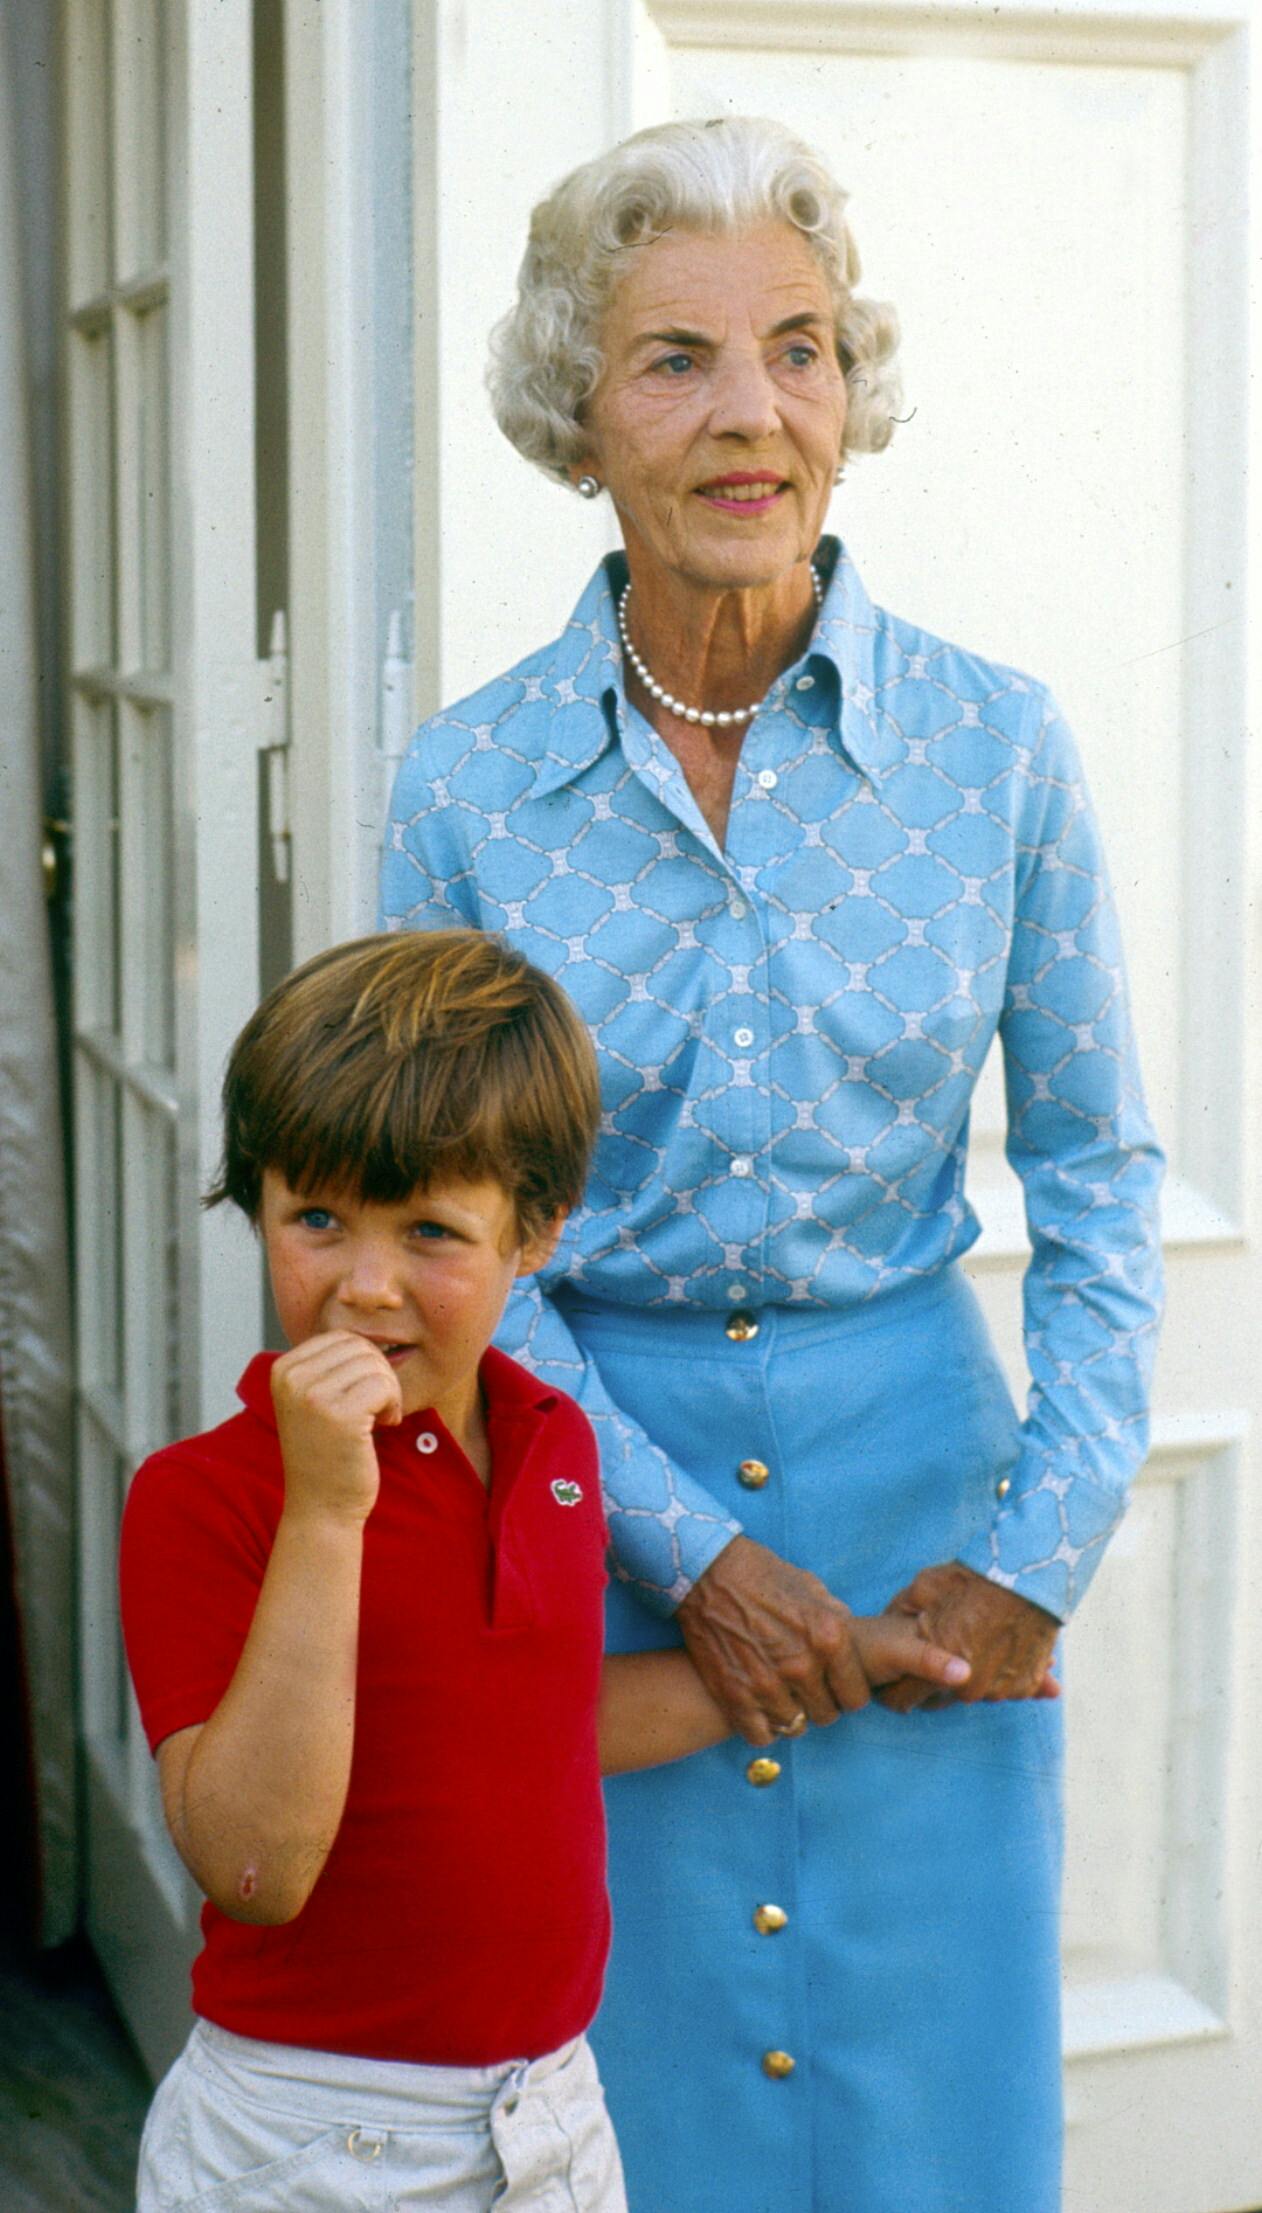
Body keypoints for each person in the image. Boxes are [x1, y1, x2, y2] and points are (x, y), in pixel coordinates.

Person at [379, 115, 1166, 2213]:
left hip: (930, 1537)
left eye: (800, 350)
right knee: (629, 2129)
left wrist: (1032, 1554)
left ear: (852, 392)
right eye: (675, 360)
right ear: (574, 414)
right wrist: (685, 1556)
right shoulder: (466, 787)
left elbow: (1100, 1176)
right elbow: (443, 1236)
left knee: (931, 2126)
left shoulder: (997, 746)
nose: (752, 414)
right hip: (585, 1522)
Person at [118, 926, 967, 2213]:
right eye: (317, 1217)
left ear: (537, 1235)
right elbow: (252, 1868)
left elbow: (538, 1718)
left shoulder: (554, 1446)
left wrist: (837, 1654)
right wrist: (328, 1516)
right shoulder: (205, 1499)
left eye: (430, 1231)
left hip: (550, 2115)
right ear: (256, 1203)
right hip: (308, 2133)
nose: (364, 1284)